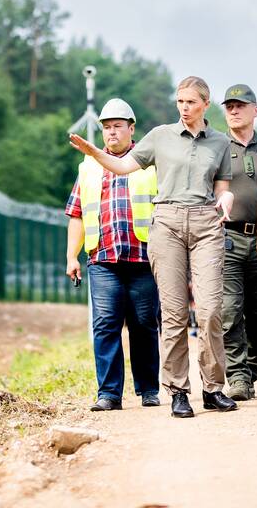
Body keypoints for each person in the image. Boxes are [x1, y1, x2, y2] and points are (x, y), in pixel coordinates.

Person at [70, 76, 238, 419]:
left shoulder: (220, 143)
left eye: (191, 102)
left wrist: (227, 198)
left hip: (206, 223)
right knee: (174, 314)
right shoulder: (160, 136)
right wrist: (93, 151)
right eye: (180, 102)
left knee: (209, 312)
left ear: (206, 104)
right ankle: (178, 390)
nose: (184, 108)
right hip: (168, 223)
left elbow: (222, 187)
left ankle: (213, 388)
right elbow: (121, 165)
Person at [65, 98, 161, 411]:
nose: (112, 133)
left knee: (144, 323)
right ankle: (108, 394)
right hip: (103, 260)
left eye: (118, 126)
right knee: (106, 324)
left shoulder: (149, 163)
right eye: (107, 127)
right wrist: (72, 257)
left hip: (143, 259)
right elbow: (76, 213)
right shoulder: (89, 167)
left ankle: (148, 389)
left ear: (131, 129)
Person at [220, 84, 257, 401]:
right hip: (226, 237)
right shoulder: (216, 147)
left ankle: (251, 367)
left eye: (241, 105)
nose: (234, 110)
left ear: (255, 110)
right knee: (229, 310)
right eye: (229, 106)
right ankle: (237, 376)